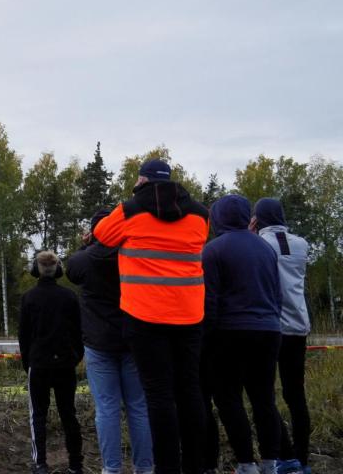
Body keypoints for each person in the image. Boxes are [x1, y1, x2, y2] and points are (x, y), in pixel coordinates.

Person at [92, 160, 209, 474]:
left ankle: (167, 468)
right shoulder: (201, 215)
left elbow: (101, 235)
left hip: (144, 317)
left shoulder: (129, 211)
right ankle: (196, 466)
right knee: (190, 390)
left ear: (141, 180)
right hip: (190, 315)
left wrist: (131, 198)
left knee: (158, 395)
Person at [67, 211, 153, 474]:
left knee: (106, 410)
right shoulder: (133, 255)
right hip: (133, 341)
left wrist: (87, 243)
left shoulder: (86, 259)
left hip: (99, 343)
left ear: (95, 232)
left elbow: (72, 270)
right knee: (138, 408)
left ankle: (111, 469)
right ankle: (145, 468)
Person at [203, 195, 282, 474]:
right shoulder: (266, 248)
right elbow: (276, 293)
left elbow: (209, 301)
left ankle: (246, 463)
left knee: (229, 398)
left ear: (218, 218)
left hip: (230, 332)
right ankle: (271, 462)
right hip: (269, 330)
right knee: (264, 399)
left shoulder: (213, 250)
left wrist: (205, 337)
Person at [251, 198, 311, 474]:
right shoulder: (301, 244)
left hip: (270, 327)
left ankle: (283, 454)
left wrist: (250, 235)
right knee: (295, 394)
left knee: (263, 394)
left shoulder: (260, 244)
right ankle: (302, 457)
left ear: (258, 219)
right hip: (298, 325)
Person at [19, 250, 84, 474]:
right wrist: (75, 357)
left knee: (38, 415)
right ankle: (76, 465)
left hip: (39, 365)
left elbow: (23, 336)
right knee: (69, 414)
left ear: (36, 270)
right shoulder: (70, 297)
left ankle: (41, 464)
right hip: (65, 364)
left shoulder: (28, 297)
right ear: (57, 270)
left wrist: (28, 364)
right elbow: (78, 332)